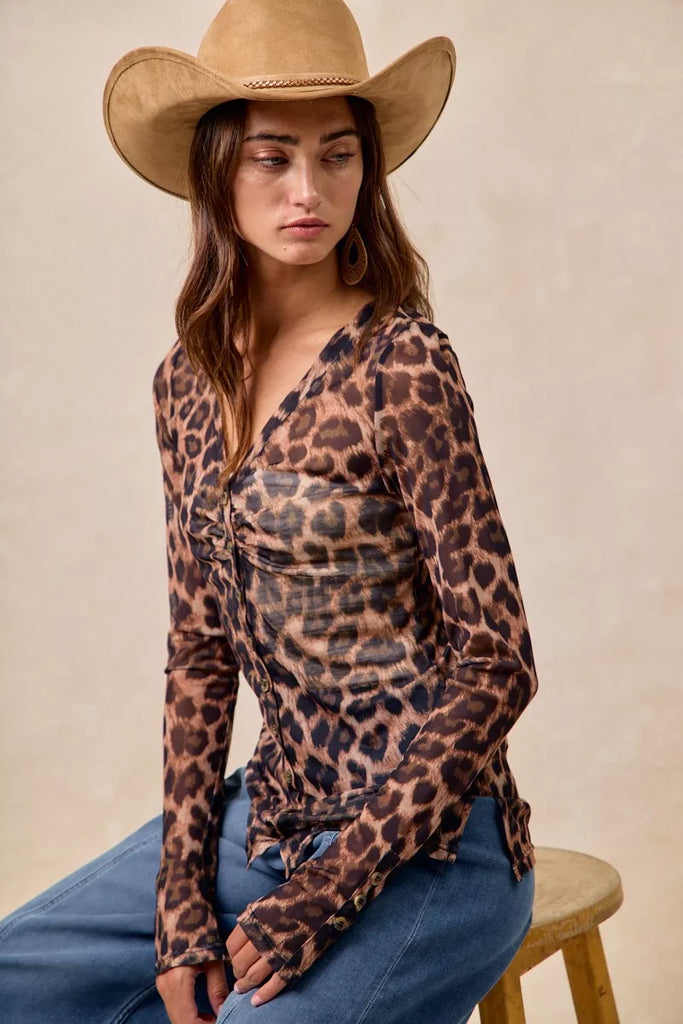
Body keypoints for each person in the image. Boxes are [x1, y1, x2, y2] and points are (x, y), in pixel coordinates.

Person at [0, 2, 540, 1022]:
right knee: (14, 976)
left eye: (337, 156)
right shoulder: (185, 382)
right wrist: (179, 900)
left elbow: (497, 664)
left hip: (433, 846)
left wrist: (326, 896)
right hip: (268, 820)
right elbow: (201, 653)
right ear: (217, 171)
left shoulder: (401, 366)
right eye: (271, 158)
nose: (308, 191)